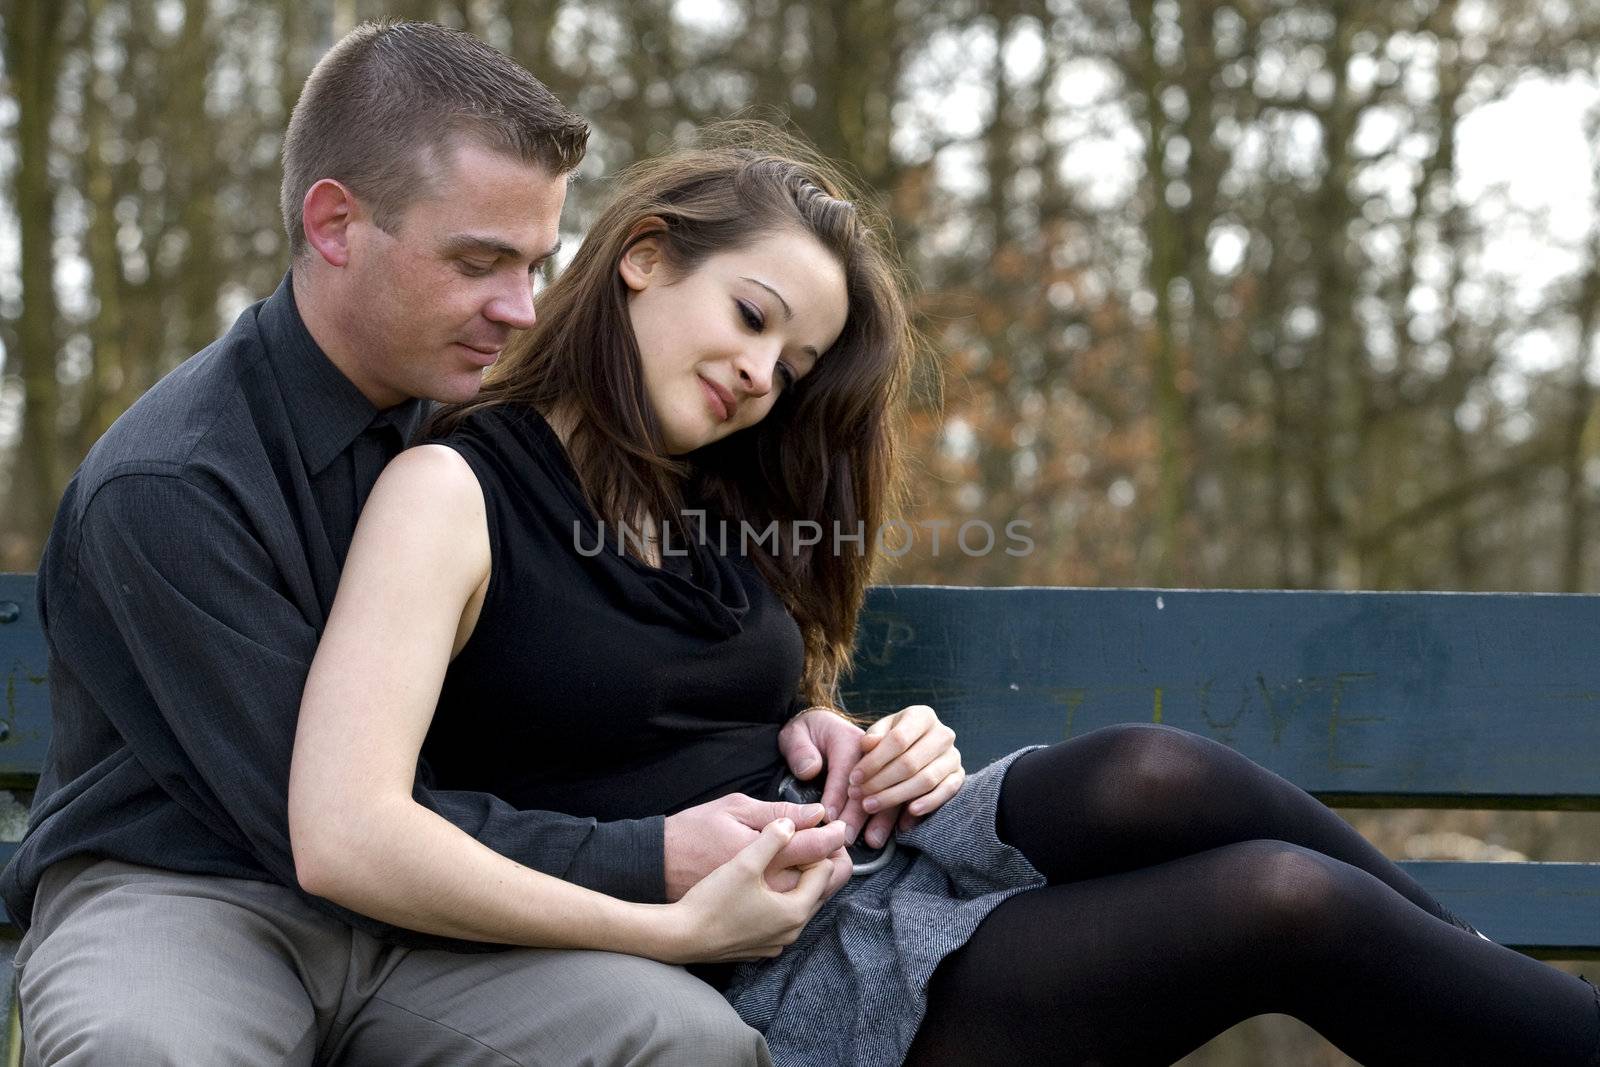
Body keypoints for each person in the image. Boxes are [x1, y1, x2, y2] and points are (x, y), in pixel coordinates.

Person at [288, 121, 1600, 1067]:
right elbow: (355, 829)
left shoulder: (695, 496)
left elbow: (683, 699)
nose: (763, 375)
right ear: (642, 255)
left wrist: (846, 728)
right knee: (1278, 901)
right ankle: (1508, 1000)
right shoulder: (448, 493)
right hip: (758, 965)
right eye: (750, 315)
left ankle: (1487, 984)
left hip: (861, 854)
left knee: (1155, 766)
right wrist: (661, 893)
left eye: (792, 363)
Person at [4, 22, 795, 1065]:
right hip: (187, 891)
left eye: (536, 263)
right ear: (335, 222)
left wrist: (808, 724)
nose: (519, 310)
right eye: (479, 262)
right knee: (145, 1047)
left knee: (681, 1039)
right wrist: (644, 861)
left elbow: (626, 636)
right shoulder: (171, 485)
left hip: (435, 928)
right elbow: (324, 827)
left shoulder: (489, 425)